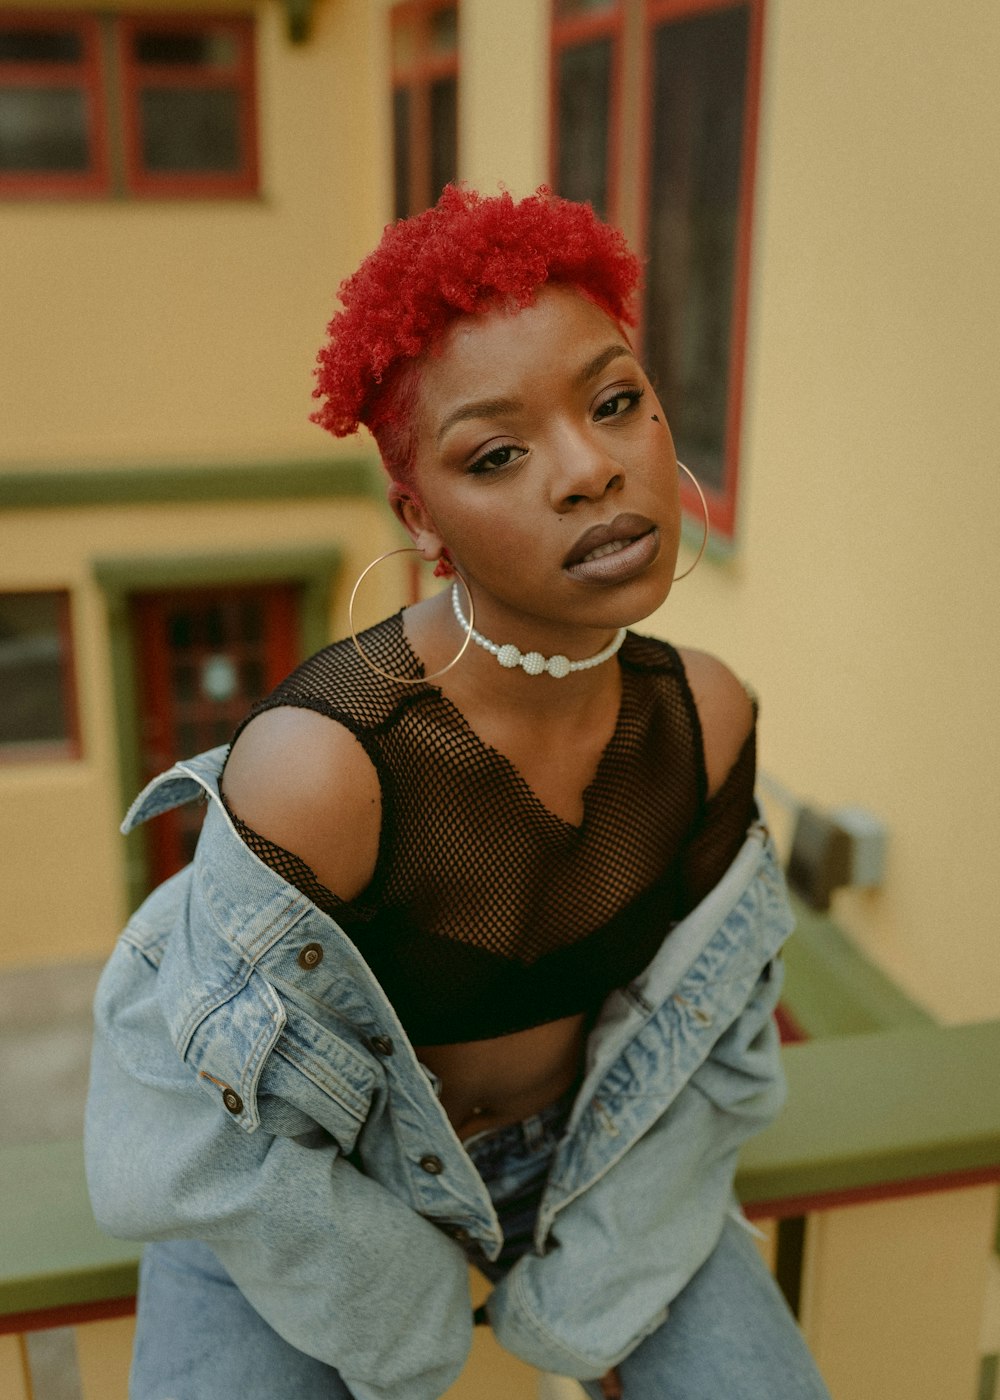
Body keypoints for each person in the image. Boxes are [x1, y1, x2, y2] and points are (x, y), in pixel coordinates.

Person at [85, 186, 830, 1400]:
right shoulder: (329, 765)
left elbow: (714, 1047)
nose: (591, 470)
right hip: (317, 1191)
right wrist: (416, 1320)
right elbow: (189, 1127)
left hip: (596, 1161)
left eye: (615, 401)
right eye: (498, 453)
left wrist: (589, 1285)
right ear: (420, 515)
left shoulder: (708, 714)